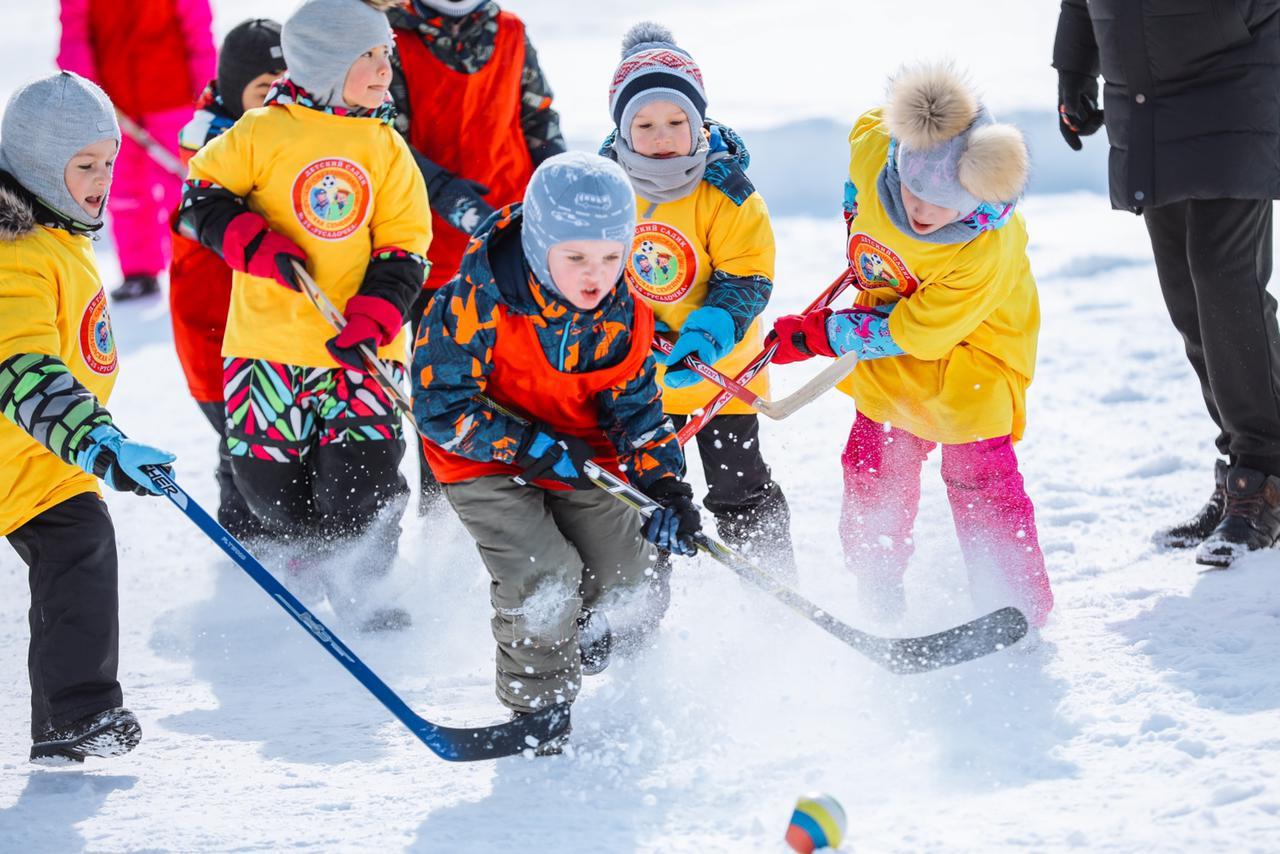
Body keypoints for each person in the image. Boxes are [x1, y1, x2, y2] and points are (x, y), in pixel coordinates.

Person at [413, 151, 702, 754]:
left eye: (611, 257)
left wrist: (668, 490)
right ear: (540, 245)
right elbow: (442, 410)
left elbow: (637, 412)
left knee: (631, 568)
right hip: (483, 457)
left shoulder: (624, 314)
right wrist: (531, 447)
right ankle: (538, 709)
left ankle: (592, 629)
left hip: (578, 450)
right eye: (575, 258)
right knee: (545, 575)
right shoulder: (474, 302)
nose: (595, 275)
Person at [769, 64, 1054, 628]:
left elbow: (917, 333)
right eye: (912, 190)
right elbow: (864, 138)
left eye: (942, 203)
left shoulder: (983, 251)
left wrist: (823, 334)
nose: (921, 212)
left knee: (977, 472)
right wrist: (856, 207)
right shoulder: (881, 147)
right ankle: (877, 580)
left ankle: (1013, 600)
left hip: (971, 349)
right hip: (891, 328)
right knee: (875, 461)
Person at [179, 0, 431, 630]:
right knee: (268, 488)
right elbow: (199, 197)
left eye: (386, 56)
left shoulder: (386, 147)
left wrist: (378, 314)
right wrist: (249, 240)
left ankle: (363, 590)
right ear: (324, 62)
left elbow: (406, 247)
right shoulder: (263, 130)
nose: (384, 71)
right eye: (369, 57)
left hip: (360, 352)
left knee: (364, 480)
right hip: (268, 348)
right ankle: (307, 558)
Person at [1053, 0, 1280, 567]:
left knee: (1225, 281)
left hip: (1231, 75)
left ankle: (1264, 474)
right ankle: (1240, 475)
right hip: (1145, 93)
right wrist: (1074, 69)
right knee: (1187, 294)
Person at [0, 72, 177, 762]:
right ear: (42, 165)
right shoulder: (13, 256)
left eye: (109, 161)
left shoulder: (58, 237)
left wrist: (96, 447)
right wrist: (101, 445)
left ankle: (74, 718)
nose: (103, 178)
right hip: (27, 445)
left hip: (39, 462)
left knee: (81, 547)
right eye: (84, 165)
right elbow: (23, 372)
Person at [600, 23, 795, 576]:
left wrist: (704, 339)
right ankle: (641, 600)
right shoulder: (606, 188)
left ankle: (772, 581)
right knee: (645, 498)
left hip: (720, 373)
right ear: (622, 128)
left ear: (699, 121)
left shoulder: (727, 192)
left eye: (676, 121)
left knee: (738, 484)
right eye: (644, 123)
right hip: (638, 380)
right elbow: (592, 272)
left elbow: (746, 280)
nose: (662, 135)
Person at [386, 0, 567, 511]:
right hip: (431, 251)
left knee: (520, 381)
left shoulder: (509, 31)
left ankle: (531, 504)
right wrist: (450, 198)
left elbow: (538, 118)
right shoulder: (394, 37)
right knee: (444, 391)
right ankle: (444, 511)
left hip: (513, 244)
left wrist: (556, 196)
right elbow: (385, 138)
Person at [169, 18, 286, 541]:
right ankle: (251, 540)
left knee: (256, 437)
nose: (276, 100)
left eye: (286, 86)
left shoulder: (276, 138)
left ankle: (256, 530)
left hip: (260, 334)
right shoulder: (213, 150)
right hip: (217, 335)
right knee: (242, 441)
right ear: (234, 89)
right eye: (263, 89)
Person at [57, 0, 216, 301]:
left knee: (181, 183)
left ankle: (196, 262)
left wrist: (205, 89)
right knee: (122, 187)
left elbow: (197, 30)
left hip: (172, 94)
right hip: (114, 102)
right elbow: (75, 35)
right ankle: (139, 270)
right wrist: (87, 90)